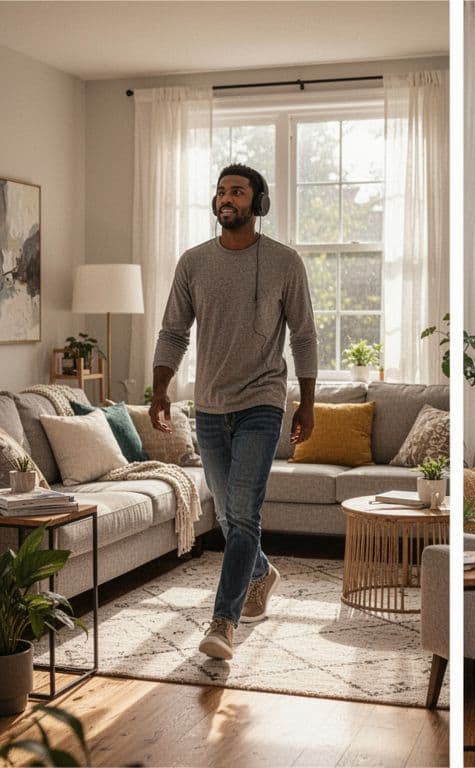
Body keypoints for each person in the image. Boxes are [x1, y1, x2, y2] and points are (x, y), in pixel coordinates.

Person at [152, 163, 318, 661]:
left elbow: (304, 335)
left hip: (263, 403)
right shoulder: (193, 262)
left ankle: (223, 620)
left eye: (238, 191)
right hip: (209, 406)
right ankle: (262, 572)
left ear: (258, 202)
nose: (227, 198)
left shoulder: (285, 263)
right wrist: (160, 390)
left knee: (244, 511)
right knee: (228, 513)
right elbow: (173, 332)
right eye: (221, 191)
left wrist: (307, 404)